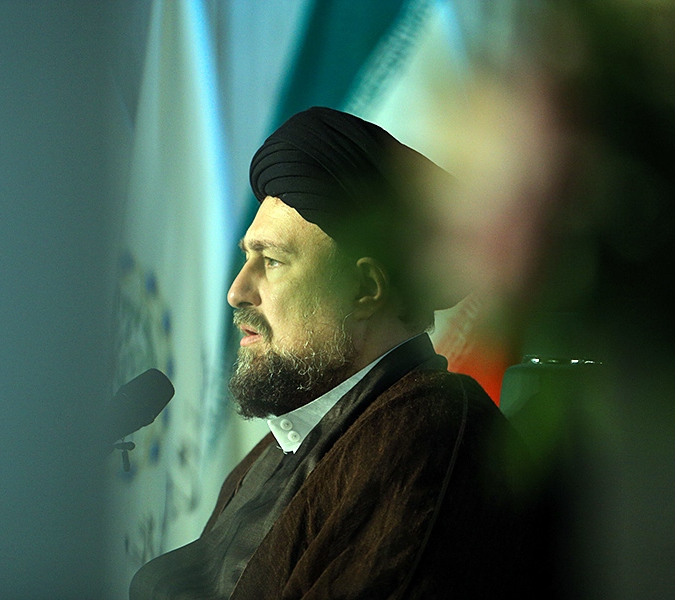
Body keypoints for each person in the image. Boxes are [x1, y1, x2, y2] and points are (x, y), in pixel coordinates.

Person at [130, 107, 544, 600]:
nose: (237, 292)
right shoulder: (275, 452)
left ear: (364, 288)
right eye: (247, 257)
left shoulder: (428, 435)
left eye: (272, 261)